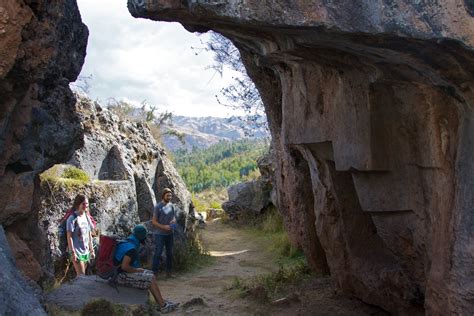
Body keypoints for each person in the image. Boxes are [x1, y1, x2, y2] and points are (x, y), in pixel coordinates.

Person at [114, 225, 177, 313]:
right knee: (150, 278)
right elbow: (125, 267)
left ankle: (161, 302)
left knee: (150, 273)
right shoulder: (132, 249)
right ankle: (163, 306)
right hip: (119, 276)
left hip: (117, 273)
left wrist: (138, 270)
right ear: (142, 237)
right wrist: (136, 270)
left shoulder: (127, 241)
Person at [66, 194, 95, 277]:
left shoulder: (87, 217)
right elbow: (69, 236)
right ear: (78, 204)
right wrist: (72, 253)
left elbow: (89, 234)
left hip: (86, 251)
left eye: (86, 203)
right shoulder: (72, 218)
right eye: (83, 204)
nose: (85, 206)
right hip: (77, 251)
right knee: (82, 276)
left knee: (82, 276)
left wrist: (91, 250)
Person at [151, 188, 177, 277]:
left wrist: (173, 221)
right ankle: (154, 273)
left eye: (170, 195)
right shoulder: (158, 207)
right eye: (167, 195)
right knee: (158, 253)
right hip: (160, 234)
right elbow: (153, 221)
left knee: (170, 253)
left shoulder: (172, 206)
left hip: (170, 234)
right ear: (163, 196)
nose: (169, 197)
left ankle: (169, 272)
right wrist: (163, 227)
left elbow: (173, 217)